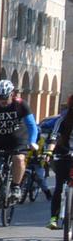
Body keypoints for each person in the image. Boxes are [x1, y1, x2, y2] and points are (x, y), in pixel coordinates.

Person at [50, 95, 73, 229]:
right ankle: (53, 218)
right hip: (64, 154)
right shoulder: (63, 119)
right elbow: (54, 136)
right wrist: (49, 151)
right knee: (58, 188)